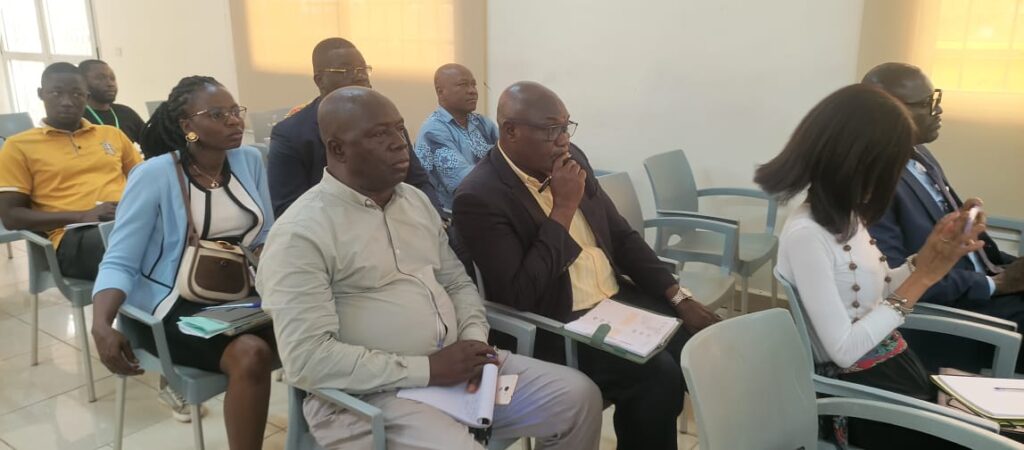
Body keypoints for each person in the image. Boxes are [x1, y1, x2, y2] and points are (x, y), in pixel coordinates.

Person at [257, 86, 602, 450]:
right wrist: (428, 370)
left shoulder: (415, 202)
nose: (399, 143)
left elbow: (456, 283)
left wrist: (473, 339)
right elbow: (306, 358)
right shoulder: (301, 233)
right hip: (372, 394)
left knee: (578, 399)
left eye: (399, 128)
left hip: (456, 367)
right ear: (338, 149)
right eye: (379, 134)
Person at [452, 81, 720, 450]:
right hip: (558, 324)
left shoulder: (571, 159)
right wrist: (562, 209)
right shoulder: (479, 195)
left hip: (615, 301)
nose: (564, 140)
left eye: (566, 126)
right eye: (551, 130)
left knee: (703, 346)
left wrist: (677, 296)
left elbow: (621, 236)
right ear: (511, 131)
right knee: (657, 376)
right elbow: (519, 293)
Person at [756, 83, 986, 449]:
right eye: (892, 167)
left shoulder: (847, 216)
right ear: (857, 164)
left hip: (891, 374)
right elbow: (843, 350)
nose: (895, 179)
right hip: (861, 399)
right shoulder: (807, 235)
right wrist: (922, 280)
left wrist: (927, 258)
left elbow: (872, 294)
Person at [91, 76, 277, 449]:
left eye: (235, 111)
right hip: (172, 305)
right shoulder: (154, 174)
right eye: (218, 114)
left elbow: (266, 236)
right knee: (251, 355)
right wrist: (101, 324)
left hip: (241, 292)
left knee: (319, 328)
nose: (234, 120)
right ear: (187, 125)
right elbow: (120, 260)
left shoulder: (249, 160)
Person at [862, 62, 1024, 372]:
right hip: (952, 315)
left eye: (935, 98)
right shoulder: (872, 180)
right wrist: (999, 283)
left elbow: (955, 241)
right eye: (927, 103)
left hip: (979, 287)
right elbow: (895, 279)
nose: (937, 110)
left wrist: (1009, 266)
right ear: (887, 110)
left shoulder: (918, 153)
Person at [268, 37, 439, 217]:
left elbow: (419, 182)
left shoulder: (388, 122)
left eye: (362, 69)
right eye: (346, 70)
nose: (360, 76)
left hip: (398, 220)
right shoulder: (291, 135)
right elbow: (289, 210)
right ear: (320, 80)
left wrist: (436, 221)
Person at [0, 62, 140, 281]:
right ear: (41, 94)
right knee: (136, 247)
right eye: (56, 93)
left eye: (76, 94)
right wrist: (82, 216)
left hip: (127, 221)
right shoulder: (18, 146)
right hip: (72, 237)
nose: (67, 101)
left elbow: (144, 181)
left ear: (86, 96)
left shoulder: (112, 135)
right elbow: (11, 216)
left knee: (179, 233)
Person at [415, 63, 498, 209]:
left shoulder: (483, 123)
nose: (472, 91)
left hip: (489, 205)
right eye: (463, 85)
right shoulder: (433, 131)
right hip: (452, 215)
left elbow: (510, 158)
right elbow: (465, 181)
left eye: (473, 85)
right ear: (441, 92)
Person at [78, 59, 146, 143]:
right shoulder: (77, 117)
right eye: (100, 78)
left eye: (112, 78)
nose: (110, 84)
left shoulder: (126, 113)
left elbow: (153, 144)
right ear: (82, 82)